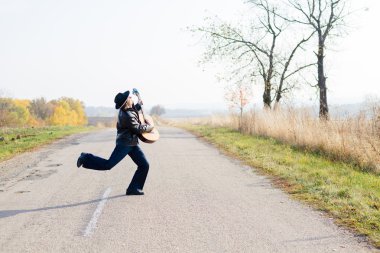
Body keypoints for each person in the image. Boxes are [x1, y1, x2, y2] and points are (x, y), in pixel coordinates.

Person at [76, 90, 153, 195]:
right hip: (125, 144)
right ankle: (85, 157)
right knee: (108, 165)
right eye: (129, 98)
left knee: (144, 165)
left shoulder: (127, 109)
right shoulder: (127, 115)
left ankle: (133, 188)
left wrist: (139, 103)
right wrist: (150, 127)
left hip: (132, 143)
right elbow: (137, 128)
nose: (131, 98)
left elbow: (134, 110)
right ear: (126, 102)